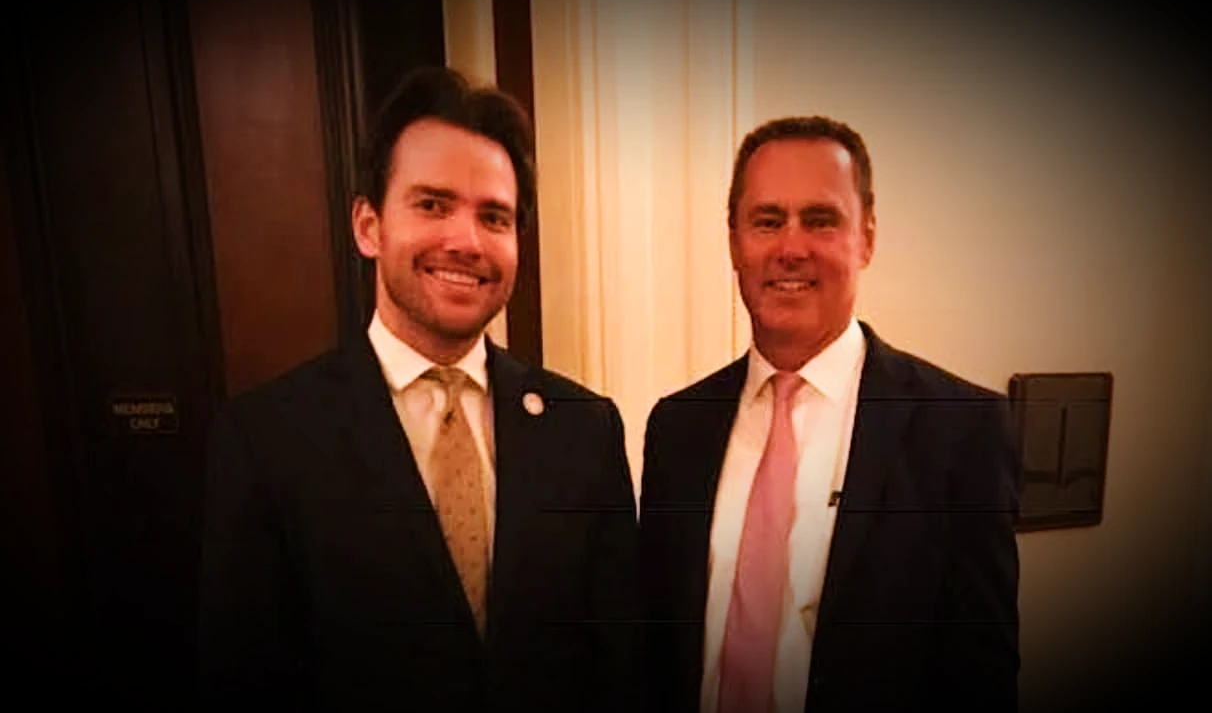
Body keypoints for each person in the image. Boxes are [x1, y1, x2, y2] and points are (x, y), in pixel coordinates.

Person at [197, 66, 640, 711]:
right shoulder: (266, 439)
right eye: (433, 204)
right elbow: (244, 677)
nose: (465, 241)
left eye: (494, 216)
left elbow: (619, 663)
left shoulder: (585, 428)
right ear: (368, 225)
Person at [640, 116, 1020, 712]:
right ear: (735, 242)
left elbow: (981, 677)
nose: (791, 249)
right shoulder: (676, 427)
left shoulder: (961, 431)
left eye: (820, 220)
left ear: (866, 238)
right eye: (768, 221)